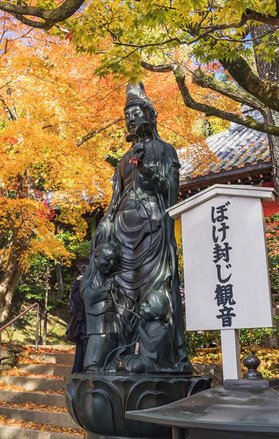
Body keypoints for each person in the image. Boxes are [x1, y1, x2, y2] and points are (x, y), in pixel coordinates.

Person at [81, 82, 190, 373]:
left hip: (153, 230)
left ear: (150, 115)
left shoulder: (166, 150)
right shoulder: (121, 161)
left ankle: (159, 358)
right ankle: (120, 355)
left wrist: (148, 171)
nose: (130, 118)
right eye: (127, 114)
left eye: (136, 111)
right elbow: (115, 199)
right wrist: (105, 224)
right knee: (123, 295)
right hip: (122, 232)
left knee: (154, 294)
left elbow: (171, 191)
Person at [82, 242, 122, 371]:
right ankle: (93, 364)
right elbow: (89, 297)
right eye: (108, 259)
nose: (111, 264)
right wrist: (105, 290)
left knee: (113, 336)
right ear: (96, 257)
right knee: (100, 337)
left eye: (114, 261)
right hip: (97, 315)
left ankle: (108, 363)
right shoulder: (88, 279)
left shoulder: (110, 278)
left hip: (111, 314)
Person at [122, 289, 176, 373]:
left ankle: (125, 364)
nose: (142, 305)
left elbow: (151, 346)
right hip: (144, 359)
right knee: (128, 359)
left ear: (157, 313)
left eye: (147, 304)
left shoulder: (163, 331)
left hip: (156, 363)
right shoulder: (145, 326)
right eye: (144, 302)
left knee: (136, 365)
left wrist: (141, 330)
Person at [70, 261, 88, 373]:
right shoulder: (84, 286)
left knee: (80, 350)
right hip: (85, 321)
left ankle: (76, 373)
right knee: (85, 350)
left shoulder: (75, 285)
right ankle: (81, 374)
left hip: (78, 321)